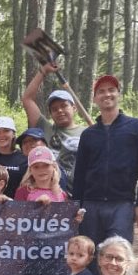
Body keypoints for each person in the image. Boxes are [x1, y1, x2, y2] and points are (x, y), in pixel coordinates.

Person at [73, 75, 138, 249]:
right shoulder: (89, 134)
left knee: (118, 253)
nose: (106, 94)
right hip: (91, 205)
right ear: (95, 99)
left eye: (111, 90)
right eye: (101, 91)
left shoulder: (137, 127)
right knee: (90, 255)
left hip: (122, 203)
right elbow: (80, 173)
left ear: (119, 94)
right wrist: (76, 206)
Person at [22, 63, 86, 191]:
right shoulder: (46, 128)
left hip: (79, 192)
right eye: (54, 109)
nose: (60, 111)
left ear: (74, 107)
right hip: (50, 193)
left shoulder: (87, 133)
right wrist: (43, 71)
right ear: (50, 114)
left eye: (64, 106)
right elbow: (27, 99)